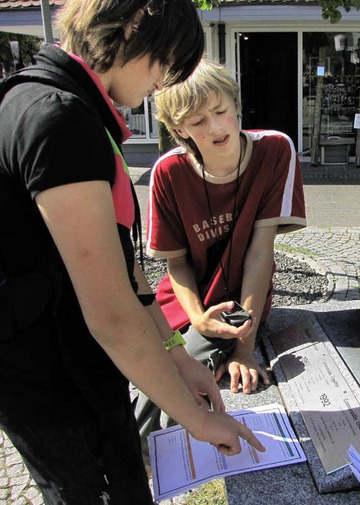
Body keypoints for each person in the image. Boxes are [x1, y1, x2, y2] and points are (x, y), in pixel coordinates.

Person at [0, 1, 265, 503]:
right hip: (55, 382)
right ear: (133, 28)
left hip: (79, 370)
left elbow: (126, 272)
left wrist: (179, 360)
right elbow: (111, 313)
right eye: (166, 63)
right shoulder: (57, 119)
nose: (162, 84)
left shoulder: (67, 105)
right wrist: (197, 422)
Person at [133, 58, 306, 438]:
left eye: (220, 111)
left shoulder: (276, 150)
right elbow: (174, 265)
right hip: (186, 305)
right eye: (197, 121)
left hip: (237, 306)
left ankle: (144, 453)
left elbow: (261, 254)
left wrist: (244, 348)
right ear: (179, 129)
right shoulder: (168, 172)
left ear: (236, 104)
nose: (214, 127)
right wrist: (197, 317)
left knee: (175, 386)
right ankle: (139, 461)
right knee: (161, 375)